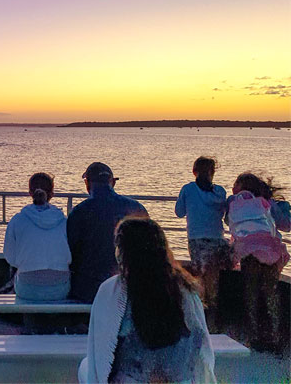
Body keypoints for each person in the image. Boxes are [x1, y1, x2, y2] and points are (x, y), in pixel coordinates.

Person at [79, 218, 215, 384]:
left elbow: (98, 356)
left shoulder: (113, 291)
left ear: (123, 253)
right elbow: (201, 351)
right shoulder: (186, 291)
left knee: (85, 366)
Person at [66, 162, 148, 303]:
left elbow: (70, 251)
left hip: (87, 289)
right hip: (128, 285)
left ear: (87, 184)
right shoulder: (136, 208)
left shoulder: (79, 212)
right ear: (112, 183)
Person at [226, 172, 290, 352]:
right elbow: (286, 225)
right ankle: (274, 336)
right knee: (271, 295)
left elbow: (228, 221)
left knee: (251, 294)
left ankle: (254, 336)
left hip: (249, 251)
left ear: (241, 187)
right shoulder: (267, 203)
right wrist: (283, 208)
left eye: (236, 183)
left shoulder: (235, 202)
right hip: (271, 250)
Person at [175, 157, 231, 322]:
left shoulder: (188, 189)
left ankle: (202, 317)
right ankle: (214, 315)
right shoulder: (220, 192)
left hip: (197, 239)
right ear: (213, 172)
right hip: (217, 239)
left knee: (200, 278)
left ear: (194, 171)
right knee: (213, 279)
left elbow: (179, 212)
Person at [3, 172, 71, 301]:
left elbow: (10, 257)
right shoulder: (64, 221)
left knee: (17, 278)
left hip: (27, 289)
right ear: (52, 193)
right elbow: (71, 257)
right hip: (59, 290)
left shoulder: (18, 220)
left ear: (30, 192)